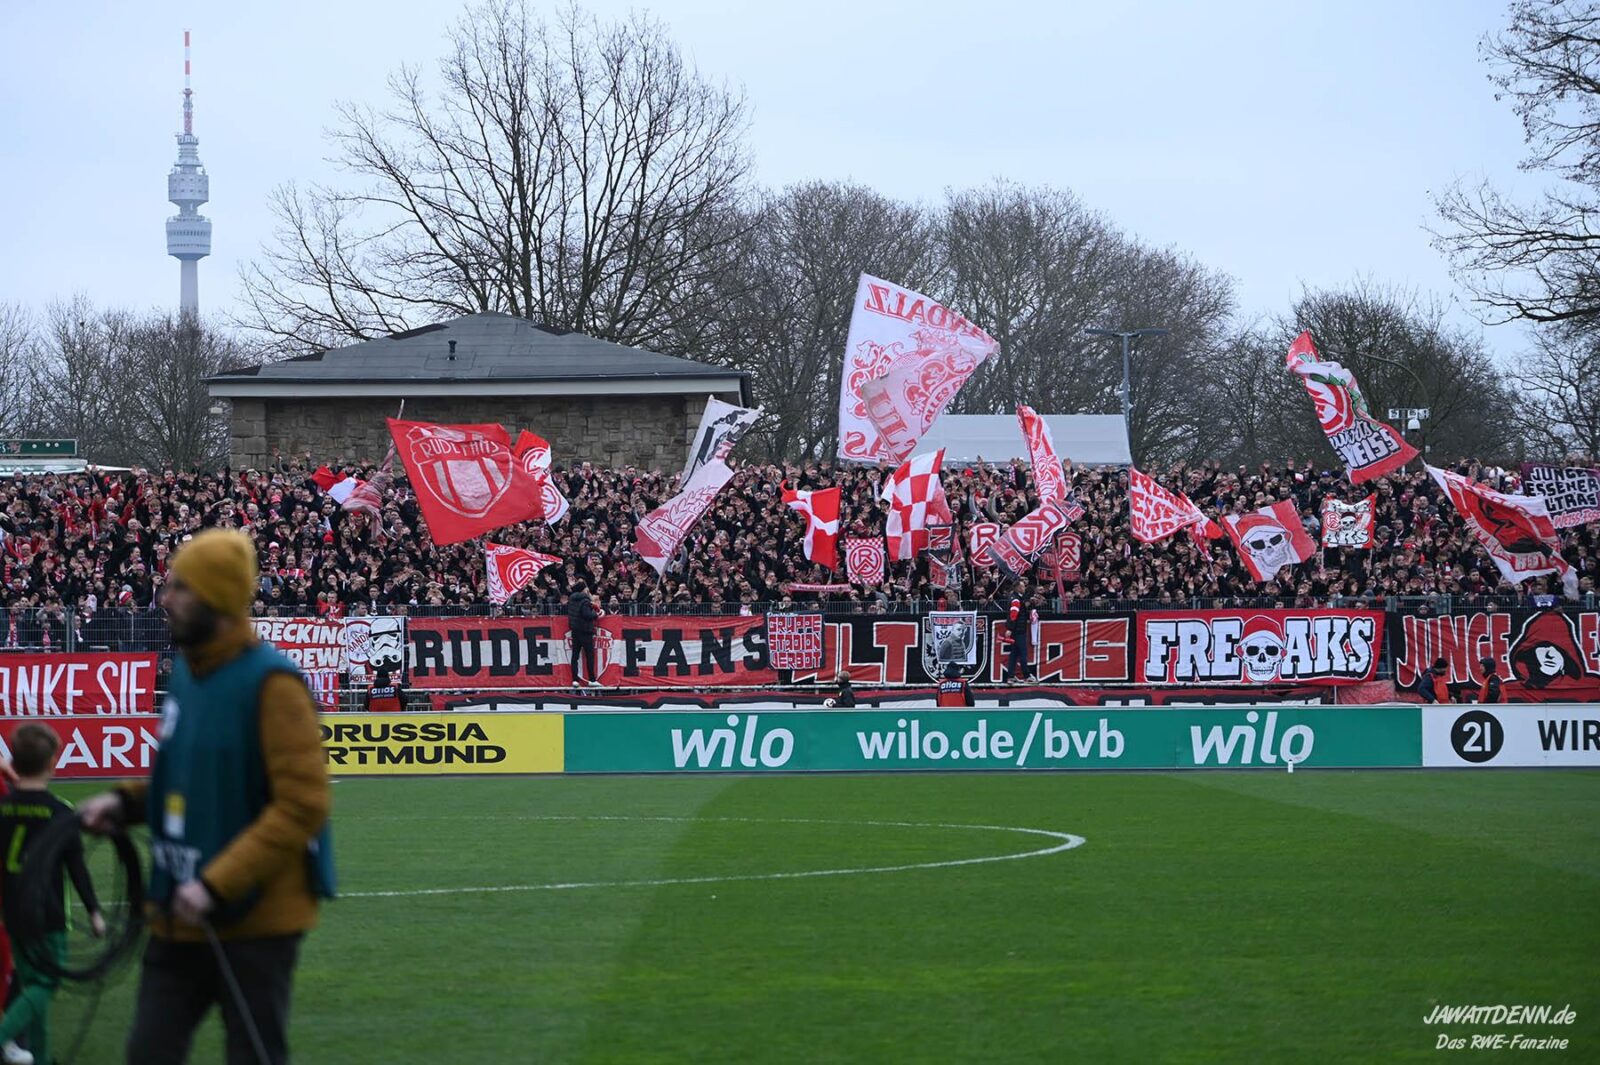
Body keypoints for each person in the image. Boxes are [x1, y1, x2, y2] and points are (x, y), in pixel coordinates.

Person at [77, 529, 333, 1065]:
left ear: (215, 599)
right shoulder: (189, 677)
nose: (165, 599)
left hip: (256, 922)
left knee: (253, 1053)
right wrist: (123, 805)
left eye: (180, 588)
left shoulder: (273, 685)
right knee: (149, 1051)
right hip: (178, 912)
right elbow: (184, 779)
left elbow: (302, 805)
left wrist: (217, 884)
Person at [0, 724, 106, 1065]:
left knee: (32, 983)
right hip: (47, 915)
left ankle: (41, 1058)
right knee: (46, 985)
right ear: (53, 764)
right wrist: (94, 911)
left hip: (13, 915)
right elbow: (77, 868)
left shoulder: (3, 807)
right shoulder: (60, 812)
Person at [567, 584, 603, 688]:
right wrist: (596, 614)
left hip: (575, 630)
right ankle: (592, 679)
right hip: (586, 631)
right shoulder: (585, 600)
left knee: (575, 656)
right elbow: (587, 615)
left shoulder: (571, 600)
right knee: (589, 656)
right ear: (583, 589)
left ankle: (575, 680)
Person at [1002, 598, 1030, 684]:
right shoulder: (1016, 600)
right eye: (1022, 586)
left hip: (1017, 630)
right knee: (1023, 654)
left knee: (1014, 654)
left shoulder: (1017, 599)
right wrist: (1010, 628)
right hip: (1019, 631)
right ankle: (1026, 676)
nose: (1024, 588)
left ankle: (1010, 676)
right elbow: (1013, 615)